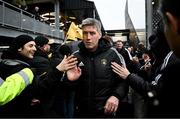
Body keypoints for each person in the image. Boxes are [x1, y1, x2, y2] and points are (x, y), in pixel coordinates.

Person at [111, 21, 180, 117]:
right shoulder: (162, 58)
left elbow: (153, 92)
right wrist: (148, 71)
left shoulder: (171, 59)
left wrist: (129, 76)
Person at [0, 34, 78, 117]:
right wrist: (58, 70)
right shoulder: (18, 68)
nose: (34, 48)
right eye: (30, 46)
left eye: (34, 46)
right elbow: (40, 88)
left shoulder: (7, 63)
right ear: (19, 48)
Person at [66, 18, 129, 118]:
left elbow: (124, 80)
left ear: (99, 35)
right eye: (85, 33)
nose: (88, 37)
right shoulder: (75, 56)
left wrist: (116, 96)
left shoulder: (112, 55)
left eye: (92, 33)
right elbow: (67, 89)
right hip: (82, 113)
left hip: (105, 112)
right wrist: (70, 81)